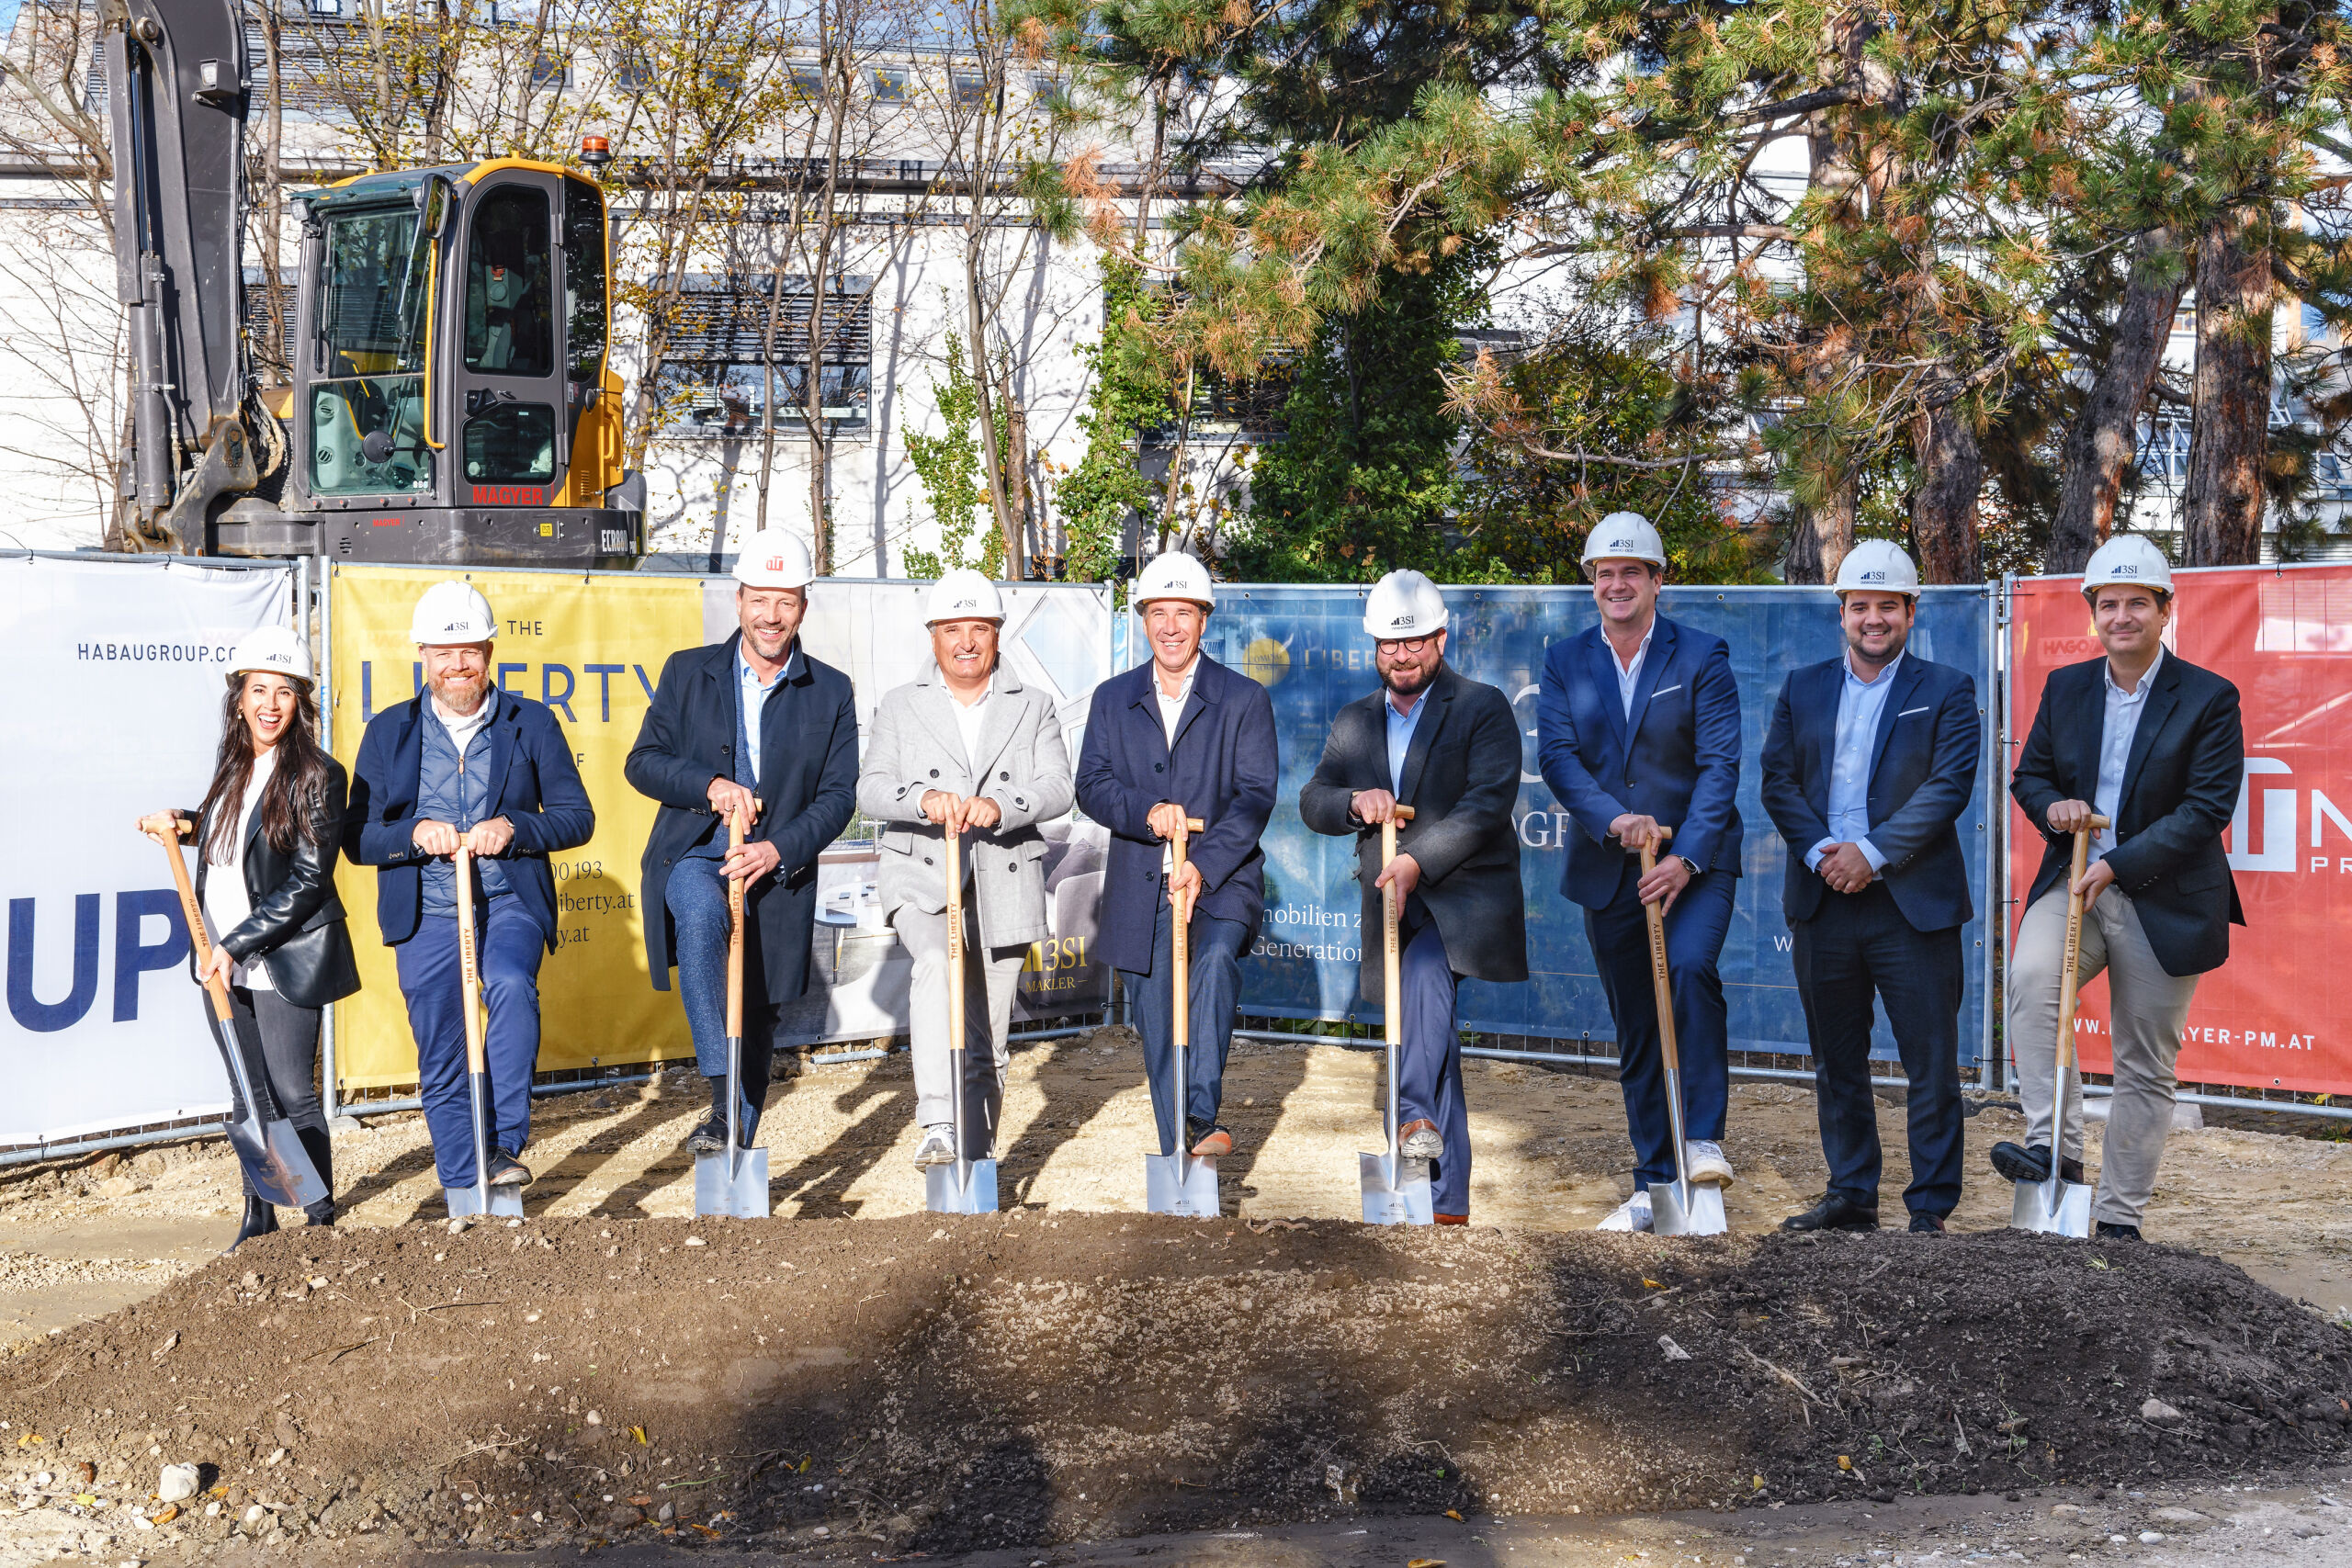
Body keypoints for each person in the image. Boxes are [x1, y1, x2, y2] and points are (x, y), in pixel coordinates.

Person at [1996, 535, 2244, 1242]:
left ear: (2165, 610)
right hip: (2074, 882)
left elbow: (2206, 809)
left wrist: (2120, 862)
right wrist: (2055, 809)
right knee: (2034, 982)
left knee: (2145, 1058)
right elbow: (2031, 776)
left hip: (2164, 893)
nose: (2123, 615)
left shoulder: (2208, 698)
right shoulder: (2067, 687)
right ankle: (2056, 1154)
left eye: (2139, 601)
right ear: (2093, 614)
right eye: (2110, 603)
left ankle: (2118, 1218)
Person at [1758, 541, 1981, 1235]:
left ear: (1911, 612)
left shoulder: (1947, 689)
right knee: (1838, 1060)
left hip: (1911, 904)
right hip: (1825, 897)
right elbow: (1779, 782)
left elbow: (1948, 787)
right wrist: (1829, 852)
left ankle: (1929, 1208)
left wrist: (1873, 853)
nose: (1873, 618)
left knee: (1931, 1063)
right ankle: (1852, 1194)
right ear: (1843, 613)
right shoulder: (1803, 686)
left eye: (1888, 605)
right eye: (1861, 606)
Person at [345, 580, 594, 1201]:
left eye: (470, 651)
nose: (457, 665)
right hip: (426, 908)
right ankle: (464, 1181)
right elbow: (358, 838)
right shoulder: (388, 733)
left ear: (490, 651)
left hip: (508, 899)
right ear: (422, 656)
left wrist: (515, 828)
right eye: (442, 652)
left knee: (510, 983)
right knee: (442, 1041)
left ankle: (503, 1143)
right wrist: (413, 833)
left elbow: (577, 815)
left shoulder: (529, 722)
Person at [1299, 570, 1528, 1225]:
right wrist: (1352, 801)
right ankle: (1447, 1205)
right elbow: (1313, 799)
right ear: (1374, 647)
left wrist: (1413, 860)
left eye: (1415, 643)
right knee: (1434, 1041)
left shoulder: (1482, 707)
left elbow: (1486, 807)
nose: (1401, 656)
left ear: (1440, 638)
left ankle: (1409, 1116)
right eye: (1388, 645)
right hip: (1391, 906)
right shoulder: (1355, 721)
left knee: (1426, 979)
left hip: (1465, 901)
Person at [1537, 512, 1744, 1234]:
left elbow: (1721, 765)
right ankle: (1656, 1181)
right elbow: (1559, 757)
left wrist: (1685, 855)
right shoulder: (1565, 660)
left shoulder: (1701, 656)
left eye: (1632, 571)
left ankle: (1703, 1144)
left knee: (1687, 971)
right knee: (1636, 1027)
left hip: (1696, 860)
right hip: (1609, 869)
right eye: (1604, 572)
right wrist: (1611, 820)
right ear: (1592, 581)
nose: (1616, 583)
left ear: (1659, 580)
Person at [628, 530, 858, 1155]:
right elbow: (643, 762)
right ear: (739, 600)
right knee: (701, 915)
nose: (771, 615)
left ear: (803, 606)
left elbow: (838, 798)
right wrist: (709, 784)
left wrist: (778, 849)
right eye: (760, 599)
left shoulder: (831, 691)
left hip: (775, 869)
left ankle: (732, 1135)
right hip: (696, 850)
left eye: (785, 601)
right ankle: (723, 1097)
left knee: (756, 1014)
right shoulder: (688, 672)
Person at [139, 626, 360, 1250]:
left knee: (292, 1089)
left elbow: (311, 879)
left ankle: (320, 1218)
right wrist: (181, 823)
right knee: (246, 1089)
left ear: (300, 703)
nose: (270, 703)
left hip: (281, 956)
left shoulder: (319, 774)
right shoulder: (235, 763)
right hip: (221, 957)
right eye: (258, 689)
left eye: (284, 691)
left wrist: (235, 945)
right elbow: (229, 833)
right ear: (239, 698)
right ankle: (259, 1214)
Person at [857, 570, 1075, 1167]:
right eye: (952, 629)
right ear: (934, 636)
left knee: (989, 1047)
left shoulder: (1032, 706)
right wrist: (922, 801)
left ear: (996, 634)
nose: (966, 642)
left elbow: (1059, 786)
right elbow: (871, 788)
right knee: (935, 963)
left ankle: (974, 1169)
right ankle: (937, 1124)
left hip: (1004, 879)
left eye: (978, 628)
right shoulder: (902, 705)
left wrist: (1004, 805)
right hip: (924, 876)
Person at [1075, 552, 1278, 1160]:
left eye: (1182, 612)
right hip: (1141, 893)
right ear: (1142, 620)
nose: (1170, 625)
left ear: (1203, 619)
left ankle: (1196, 1118)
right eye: (1158, 612)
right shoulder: (1113, 699)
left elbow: (1254, 796)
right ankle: (1181, 1162)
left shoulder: (1243, 699)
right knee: (1159, 1029)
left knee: (1214, 963)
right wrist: (1146, 809)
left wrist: (1201, 864)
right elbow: (1091, 783)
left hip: (1220, 884)